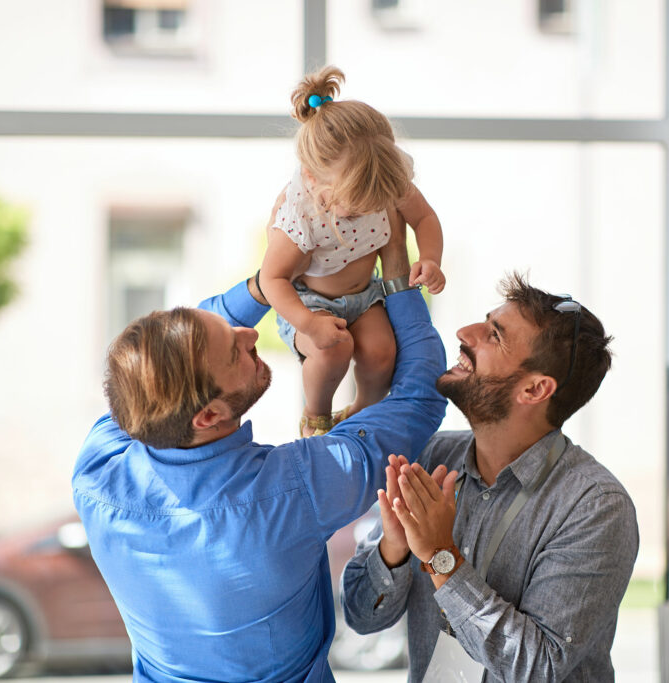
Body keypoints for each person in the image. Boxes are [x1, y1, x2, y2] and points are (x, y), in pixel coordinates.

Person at [71, 238, 447, 683]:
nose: (251, 332)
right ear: (207, 415)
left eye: (231, 327)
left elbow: (156, 361)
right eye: (234, 351)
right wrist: (398, 273)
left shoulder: (96, 471)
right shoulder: (298, 488)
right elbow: (420, 395)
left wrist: (269, 283)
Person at [342, 272, 639, 682]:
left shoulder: (595, 506)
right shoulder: (429, 457)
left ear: (535, 390)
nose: (465, 333)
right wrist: (394, 549)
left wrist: (440, 557)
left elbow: (539, 667)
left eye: (495, 335)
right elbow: (360, 618)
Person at [259, 65, 446, 437]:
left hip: (364, 295)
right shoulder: (300, 214)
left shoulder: (382, 178)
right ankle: (316, 416)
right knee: (333, 350)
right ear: (313, 181)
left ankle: (364, 410)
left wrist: (430, 257)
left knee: (381, 353)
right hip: (309, 304)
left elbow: (424, 217)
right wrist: (308, 323)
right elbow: (272, 278)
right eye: (357, 207)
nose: (373, 209)